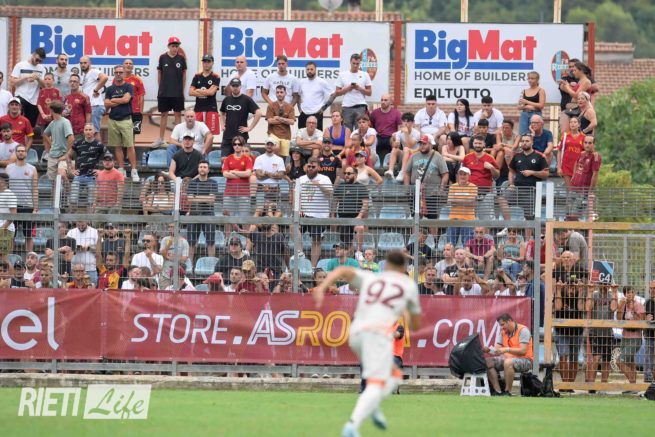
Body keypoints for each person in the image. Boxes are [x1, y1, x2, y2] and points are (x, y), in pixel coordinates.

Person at [312, 250, 421, 437]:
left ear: (386, 265)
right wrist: (407, 313)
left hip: (356, 334)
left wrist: (322, 288)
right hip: (375, 336)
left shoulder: (371, 279)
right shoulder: (407, 287)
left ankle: (374, 409)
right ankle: (352, 425)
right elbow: (415, 325)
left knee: (383, 376)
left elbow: (342, 270)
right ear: (403, 268)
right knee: (388, 379)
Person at [553, 250, 587, 386]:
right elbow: (558, 307)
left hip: (576, 328)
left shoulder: (579, 271)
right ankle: (565, 385)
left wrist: (581, 290)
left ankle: (570, 385)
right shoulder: (557, 274)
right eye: (564, 257)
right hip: (561, 328)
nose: (571, 288)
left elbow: (581, 308)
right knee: (563, 356)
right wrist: (557, 289)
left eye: (569, 257)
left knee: (574, 358)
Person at [499, 134, 549, 224]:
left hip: (531, 190)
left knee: (529, 217)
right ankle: (508, 225)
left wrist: (532, 172)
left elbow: (546, 174)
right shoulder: (517, 156)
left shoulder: (539, 156)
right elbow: (511, 171)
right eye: (522, 141)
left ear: (532, 142)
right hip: (517, 189)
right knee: (502, 199)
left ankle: (529, 233)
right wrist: (511, 184)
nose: (524, 143)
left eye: (527, 141)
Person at [484, 313, 534, 395]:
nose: (501, 327)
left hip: (526, 360)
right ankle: (498, 391)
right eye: (500, 325)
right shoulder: (503, 332)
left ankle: (508, 392)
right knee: (488, 362)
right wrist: (489, 350)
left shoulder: (523, 330)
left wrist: (507, 349)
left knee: (508, 363)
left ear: (509, 321)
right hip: (508, 359)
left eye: (503, 324)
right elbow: (498, 350)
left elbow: (523, 351)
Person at [104, 64, 139, 182]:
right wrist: (119, 101)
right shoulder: (109, 89)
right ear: (114, 74)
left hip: (126, 120)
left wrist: (113, 100)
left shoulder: (129, 87)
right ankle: (121, 169)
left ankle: (134, 170)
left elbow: (126, 99)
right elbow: (107, 104)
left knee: (130, 146)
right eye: (116, 72)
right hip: (112, 120)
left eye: (120, 72)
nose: (118, 74)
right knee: (117, 146)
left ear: (124, 73)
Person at [297, 156, 333, 267]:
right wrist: (298, 209)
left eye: (313, 166)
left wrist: (319, 185)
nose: (311, 168)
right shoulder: (301, 179)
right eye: (309, 166)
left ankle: (313, 267)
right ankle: (300, 252)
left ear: (318, 168)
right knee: (293, 226)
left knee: (316, 240)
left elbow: (330, 193)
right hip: (304, 213)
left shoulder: (325, 178)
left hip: (319, 215)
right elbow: (297, 196)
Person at [152, 36, 187, 148]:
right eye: (173, 46)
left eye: (177, 46)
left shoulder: (181, 59)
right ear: (169, 46)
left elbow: (184, 74)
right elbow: (159, 73)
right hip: (164, 93)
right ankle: (161, 139)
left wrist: (181, 90)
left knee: (178, 115)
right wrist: (161, 88)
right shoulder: (162, 57)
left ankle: (179, 139)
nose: (175, 48)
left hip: (177, 93)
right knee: (163, 115)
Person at [403, 135, 449, 220]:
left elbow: (445, 174)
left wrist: (441, 190)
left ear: (431, 144)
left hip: (432, 194)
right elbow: (407, 173)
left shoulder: (438, 156)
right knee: (415, 218)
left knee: (432, 219)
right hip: (416, 193)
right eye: (420, 144)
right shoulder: (414, 156)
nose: (422, 146)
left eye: (424, 144)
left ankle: (432, 230)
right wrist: (407, 189)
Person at [68, 123, 108, 209]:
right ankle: (72, 217)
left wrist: (101, 171)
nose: (88, 132)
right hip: (79, 175)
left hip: (92, 177)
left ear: (94, 131)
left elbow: (108, 157)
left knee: (91, 202)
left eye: (90, 130)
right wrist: (71, 169)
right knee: (73, 200)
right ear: (84, 131)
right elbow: (68, 156)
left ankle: (89, 217)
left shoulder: (99, 144)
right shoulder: (78, 143)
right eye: (86, 130)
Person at [6, 144, 38, 252]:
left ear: (26, 153)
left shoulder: (32, 169)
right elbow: (5, 188)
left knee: (28, 235)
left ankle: (30, 257)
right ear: (15, 153)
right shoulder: (8, 168)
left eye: (23, 151)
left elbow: (35, 189)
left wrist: (35, 208)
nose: (20, 152)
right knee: (11, 235)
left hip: (27, 206)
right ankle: (10, 258)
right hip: (12, 206)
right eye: (18, 151)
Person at [220, 78, 261, 157]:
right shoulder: (226, 99)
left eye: (237, 86)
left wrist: (250, 128)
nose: (235, 88)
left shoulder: (246, 99)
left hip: (241, 136)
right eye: (233, 86)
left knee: (241, 159)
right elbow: (222, 112)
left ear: (240, 86)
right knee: (224, 159)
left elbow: (258, 113)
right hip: (227, 136)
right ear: (230, 87)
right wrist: (222, 124)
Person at [333, 165, 370, 254]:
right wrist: (333, 215)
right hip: (343, 218)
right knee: (347, 245)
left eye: (349, 173)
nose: (346, 175)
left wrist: (359, 216)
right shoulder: (340, 186)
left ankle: (359, 252)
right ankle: (350, 255)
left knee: (360, 228)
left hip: (356, 217)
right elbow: (335, 202)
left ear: (355, 175)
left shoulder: (361, 187)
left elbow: (365, 204)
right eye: (345, 173)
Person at [585, 284, 618, 384]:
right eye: (602, 284)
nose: (604, 286)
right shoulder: (594, 295)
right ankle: (591, 385)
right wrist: (590, 292)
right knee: (596, 358)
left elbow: (613, 308)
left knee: (606, 360)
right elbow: (588, 308)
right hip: (595, 332)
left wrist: (614, 292)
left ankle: (603, 385)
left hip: (608, 333)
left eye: (606, 284)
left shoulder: (612, 295)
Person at [186, 160, 218, 261]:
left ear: (208, 170)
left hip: (208, 214)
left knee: (210, 241)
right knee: (191, 242)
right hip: (194, 214)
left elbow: (211, 199)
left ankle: (211, 264)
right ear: (198, 169)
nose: (202, 169)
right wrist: (205, 198)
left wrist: (196, 197)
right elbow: (189, 199)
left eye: (204, 167)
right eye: (200, 167)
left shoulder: (213, 183)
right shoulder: (192, 183)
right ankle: (189, 265)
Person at [9, 48, 47, 127]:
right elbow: (12, 82)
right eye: (37, 59)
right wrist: (26, 77)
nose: (38, 62)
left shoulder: (42, 68)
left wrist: (38, 78)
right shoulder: (20, 65)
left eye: (40, 61)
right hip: (21, 96)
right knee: (18, 123)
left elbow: (44, 86)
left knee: (30, 126)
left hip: (34, 100)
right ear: (33, 54)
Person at [42, 100, 74, 192]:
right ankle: (55, 201)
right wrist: (51, 144)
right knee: (53, 183)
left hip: (62, 154)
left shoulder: (65, 122)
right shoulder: (52, 123)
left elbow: (71, 138)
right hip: (52, 155)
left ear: (51, 110)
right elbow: (45, 134)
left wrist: (66, 154)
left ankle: (69, 194)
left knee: (62, 174)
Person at [335, 53, 372, 130]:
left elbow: (369, 92)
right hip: (347, 107)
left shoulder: (365, 74)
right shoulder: (343, 75)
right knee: (347, 131)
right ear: (350, 62)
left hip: (360, 106)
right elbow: (337, 92)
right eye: (353, 63)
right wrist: (348, 88)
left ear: (360, 63)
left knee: (361, 130)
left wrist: (359, 88)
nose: (355, 65)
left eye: (357, 64)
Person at [568, 136, 601, 220]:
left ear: (594, 144)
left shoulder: (595, 156)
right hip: (573, 187)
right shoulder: (582, 153)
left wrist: (590, 191)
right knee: (568, 213)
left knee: (575, 214)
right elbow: (576, 163)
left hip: (583, 190)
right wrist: (573, 176)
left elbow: (595, 174)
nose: (587, 145)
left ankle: (576, 228)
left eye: (590, 143)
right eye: (585, 142)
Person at [617, 286, 645, 385]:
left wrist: (633, 310)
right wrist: (620, 306)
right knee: (630, 363)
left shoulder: (638, 305)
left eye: (632, 292)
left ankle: (633, 383)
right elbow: (619, 319)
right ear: (624, 294)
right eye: (628, 293)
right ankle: (632, 386)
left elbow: (642, 321)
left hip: (635, 338)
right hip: (625, 337)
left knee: (619, 361)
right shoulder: (623, 305)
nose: (630, 295)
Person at [222, 135, 254, 218]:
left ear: (242, 145)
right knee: (228, 219)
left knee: (244, 219)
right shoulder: (228, 158)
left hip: (244, 193)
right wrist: (240, 174)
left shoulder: (247, 159)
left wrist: (233, 172)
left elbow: (248, 173)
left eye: (239, 144)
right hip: (229, 193)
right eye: (235, 144)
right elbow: (225, 174)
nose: (237, 146)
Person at [189, 54, 220, 136]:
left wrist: (198, 90)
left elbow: (211, 93)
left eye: (208, 61)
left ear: (212, 63)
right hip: (198, 109)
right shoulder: (197, 76)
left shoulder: (215, 77)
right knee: (196, 135)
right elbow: (190, 92)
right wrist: (207, 91)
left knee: (210, 135)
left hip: (211, 109)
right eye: (204, 61)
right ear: (202, 63)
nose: (206, 64)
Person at [445, 167, 477, 246]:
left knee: (467, 245)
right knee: (450, 244)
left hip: (468, 218)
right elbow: (449, 202)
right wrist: (466, 200)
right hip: (454, 217)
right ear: (458, 175)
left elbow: (472, 203)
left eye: (465, 174)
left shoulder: (473, 187)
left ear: (469, 176)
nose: (462, 176)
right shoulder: (453, 186)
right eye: (461, 174)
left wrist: (456, 200)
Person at [298, 61, 333, 130]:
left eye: (311, 69)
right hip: (303, 114)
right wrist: (300, 109)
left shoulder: (322, 82)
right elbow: (297, 96)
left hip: (317, 114)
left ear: (315, 70)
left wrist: (323, 108)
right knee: (301, 135)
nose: (309, 71)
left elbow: (333, 94)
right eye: (308, 69)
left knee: (317, 135)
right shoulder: (301, 82)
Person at [78, 56, 109, 136]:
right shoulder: (86, 75)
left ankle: (99, 145)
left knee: (94, 132)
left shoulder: (93, 71)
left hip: (95, 105)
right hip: (90, 106)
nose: (83, 65)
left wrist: (96, 90)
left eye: (85, 63)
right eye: (81, 63)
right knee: (90, 133)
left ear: (90, 63)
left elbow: (105, 77)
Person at [253, 138, 286, 213]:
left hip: (274, 190)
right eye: (268, 144)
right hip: (261, 189)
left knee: (273, 213)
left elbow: (280, 176)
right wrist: (274, 174)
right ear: (265, 145)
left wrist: (265, 173)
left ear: (274, 146)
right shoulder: (259, 158)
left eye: (271, 144)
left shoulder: (279, 159)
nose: (269, 146)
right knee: (259, 212)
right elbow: (259, 176)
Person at [385, 112, 420, 179]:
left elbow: (410, 145)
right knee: (395, 149)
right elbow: (396, 145)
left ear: (413, 122)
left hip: (414, 155)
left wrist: (406, 133)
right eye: (404, 121)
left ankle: (402, 172)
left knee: (406, 148)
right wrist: (395, 142)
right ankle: (390, 171)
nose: (406, 123)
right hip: (405, 155)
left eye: (408, 121)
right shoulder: (399, 133)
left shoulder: (417, 133)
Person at [370, 94, 402, 163]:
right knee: (371, 140)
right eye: (382, 100)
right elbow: (371, 127)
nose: (383, 102)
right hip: (378, 136)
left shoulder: (396, 113)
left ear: (391, 102)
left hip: (390, 136)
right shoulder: (374, 113)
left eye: (385, 100)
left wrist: (396, 136)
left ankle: (392, 160)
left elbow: (400, 128)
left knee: (395, 141)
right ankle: (372, 160)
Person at [266, 85, 296, 158]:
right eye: (277, 92)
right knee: (275, 149)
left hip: (286, 135)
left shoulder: (290, 107)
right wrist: (285, 120)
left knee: (283, 157)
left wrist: (279, 118)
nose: (279, 94)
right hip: (273, 134)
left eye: (281, 92)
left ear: (285, 93)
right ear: (275, 93)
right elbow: (270, 121)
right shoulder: (271, 106)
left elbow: (292, 122)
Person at [67, 221, 99, 286]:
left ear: (87, 221)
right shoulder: (71, 232)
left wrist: (89, 248)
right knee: (75, 290)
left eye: (82, 225)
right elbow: (66, 248)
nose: (80, 227)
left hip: (90, 269)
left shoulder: (95, 232)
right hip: (75, 270)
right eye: (78, 225)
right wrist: (75, 249)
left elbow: (100, 249)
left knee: (91, 290)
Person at [557, 116, 585, 187]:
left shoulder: (584, 137)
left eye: (575, 122)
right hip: (566, 166)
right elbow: (559, 151)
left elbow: (586, 153)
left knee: (578, 189)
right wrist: (559, 167)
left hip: (578, 167)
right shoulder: (564, 136)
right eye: (571, 122)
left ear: (579, 124)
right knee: (570, 189)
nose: (573, 124)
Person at [63, 73, 91, 142]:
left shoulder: (85, 97)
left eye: (75, 81)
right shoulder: (66, 97)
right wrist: (63, 114)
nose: (72, 83)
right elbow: (64, 112)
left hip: (80, 130)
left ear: (79, 83)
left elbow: (88, 113)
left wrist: (87, 128)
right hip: (68, 129)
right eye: (71, 81)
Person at [122, 58, 146, 137]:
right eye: (126, 63)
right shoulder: (117, 79)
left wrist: (140, 112)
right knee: (122, 134)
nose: (128, 65)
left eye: (130, 63)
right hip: (122, 112)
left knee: (133, 134)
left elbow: (142, 96)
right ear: (123, 66)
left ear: (132, 67)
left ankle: (131, 146)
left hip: (135, 111)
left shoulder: (137, 80)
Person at [517, 71, 545, 135]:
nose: (530, 80)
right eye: (529, 78)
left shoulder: (541, 90)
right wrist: (526, 106)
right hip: (524, 114)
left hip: (536, 114)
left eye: (532, 78)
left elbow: (541, 105)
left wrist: (527, 102)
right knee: (522, 134)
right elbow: (518, 107)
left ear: (537, 79)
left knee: (536, 134)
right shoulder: (524, 91)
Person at [0, 173, 17, 262]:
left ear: (5, 182)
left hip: (6, 230)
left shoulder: (9, 194)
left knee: (4, 258)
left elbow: (13, 214)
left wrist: (3, 227)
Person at [644, 280, 655, 383]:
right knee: (648, 360)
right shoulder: (647, 302)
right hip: (649, 335)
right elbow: (642, 317)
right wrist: (645, 318)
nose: (652, 290)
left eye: (654, 288)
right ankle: (648, 381)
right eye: (651, 288)